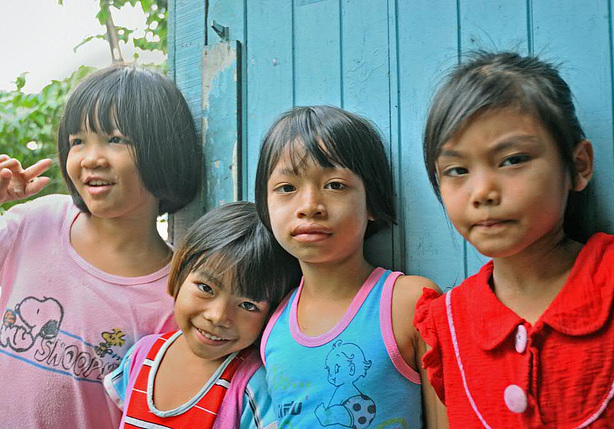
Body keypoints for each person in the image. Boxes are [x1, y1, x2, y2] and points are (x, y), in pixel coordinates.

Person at [415, 51, 614, 427]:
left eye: (513, 160)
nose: (482, 191)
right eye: (457, 170)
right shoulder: (447, 324)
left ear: (579, 165)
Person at [0, 64, 202, 427]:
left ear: (165, 151)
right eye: (78, 141)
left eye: (116, 139)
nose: (90, 158)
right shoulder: (36, 222)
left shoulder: (175, 295)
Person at [255, 105, 445, 428]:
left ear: (372, 202)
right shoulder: (272, 327)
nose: (309, 206)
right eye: (287, 188)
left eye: (335, 185)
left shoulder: (408, 302)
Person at [104, 201, 301, 428]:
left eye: (248, 305)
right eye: (206, 288)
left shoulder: (252, 385)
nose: (217, 316)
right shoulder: (141, 356)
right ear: (180, 274)